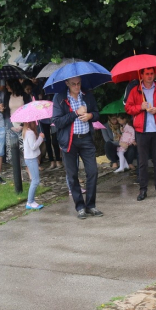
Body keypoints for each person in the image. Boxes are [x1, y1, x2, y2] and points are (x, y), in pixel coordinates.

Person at [52, 76, 102, 219]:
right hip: (69, 141)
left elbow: (97, 114)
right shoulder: (59, 98)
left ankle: (91, 205)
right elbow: (57, 122)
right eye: (73, 84)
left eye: (79, 83)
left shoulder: (87, 95)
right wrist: (75, 113)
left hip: (86, 138)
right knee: (72, 175)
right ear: (67, 83)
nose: (77, 86)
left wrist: (90, 115)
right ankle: (80, 207)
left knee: (92, 172)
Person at [125, 68, 156, 201]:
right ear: (142, 75)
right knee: (143, 162)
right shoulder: (135, 90)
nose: (150, 76)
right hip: (142, 131)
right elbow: (128, 108)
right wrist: (140, 107)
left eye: (152, 74)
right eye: (147, 74)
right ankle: (143, 189)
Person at [3, 80, 32, 170]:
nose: (6, 87)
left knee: (25, 150)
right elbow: (6, 112)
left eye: (8, 85)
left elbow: (29, 110)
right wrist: (10, 125)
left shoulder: (25, 96)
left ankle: (29, 169)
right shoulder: (7, 96)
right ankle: (17, 171)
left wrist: (22, 125)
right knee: (13, 151)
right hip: (11, 125)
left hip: (23, 125)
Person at [23, 121, 45, 210]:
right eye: (34, 122)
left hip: (30, 158)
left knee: (35, 180)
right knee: (35, 181)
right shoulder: (30, 133)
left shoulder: (26, 131)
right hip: (31, 159)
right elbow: (33, 146)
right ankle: (30, 201)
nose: (36, 124)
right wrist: (40, 138)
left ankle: (31, 201)